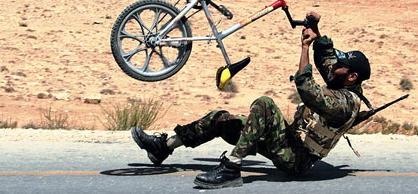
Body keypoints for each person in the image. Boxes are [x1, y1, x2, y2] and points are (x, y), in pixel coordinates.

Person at [130, 11, 371, 189]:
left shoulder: (345, 103)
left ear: (352, 76)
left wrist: (305, 49)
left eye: (341, 66)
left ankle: (231, 169)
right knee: (222, 119)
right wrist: (317, 33)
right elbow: (327, 59)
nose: (334, 67)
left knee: (265, 104)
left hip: (296, 158)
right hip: (287, 141)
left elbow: (306, 87)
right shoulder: (342, 78)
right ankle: (163, 147)